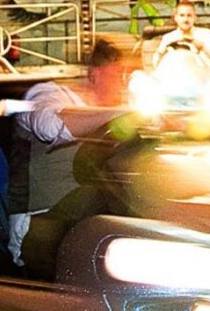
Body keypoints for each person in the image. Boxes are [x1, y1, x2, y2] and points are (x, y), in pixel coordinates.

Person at [8, 38, 137, 269]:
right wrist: (121, 112)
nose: (124, 84)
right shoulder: (47, 94)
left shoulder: (118, 105)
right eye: (119, 75)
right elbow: (49, 126)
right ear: (94, 75)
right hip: (40, 228)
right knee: (101, 197)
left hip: (83, 224)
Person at [152, 0, 210, 68]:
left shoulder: (206, 33)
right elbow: (156, 65)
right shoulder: (168, 38)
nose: (185, 19)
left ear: (195, 18)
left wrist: (203, 47)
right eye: (182, 15)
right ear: (175, 18)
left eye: (189, 15)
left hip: (204, 78)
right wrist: (161, 52)